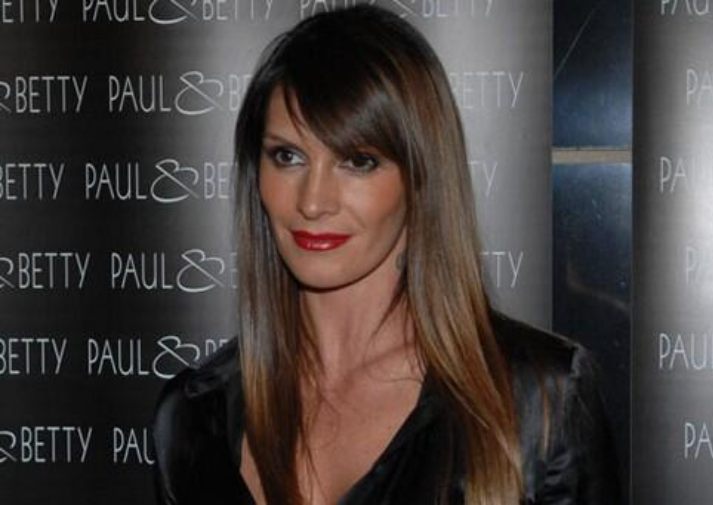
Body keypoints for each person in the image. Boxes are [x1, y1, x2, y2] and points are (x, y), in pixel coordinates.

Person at [152, 5, 618, 505]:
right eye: (288, 157)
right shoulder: (195, 419)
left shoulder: (538, 403)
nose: (313, 201)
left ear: (420, 178)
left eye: (358, 161)